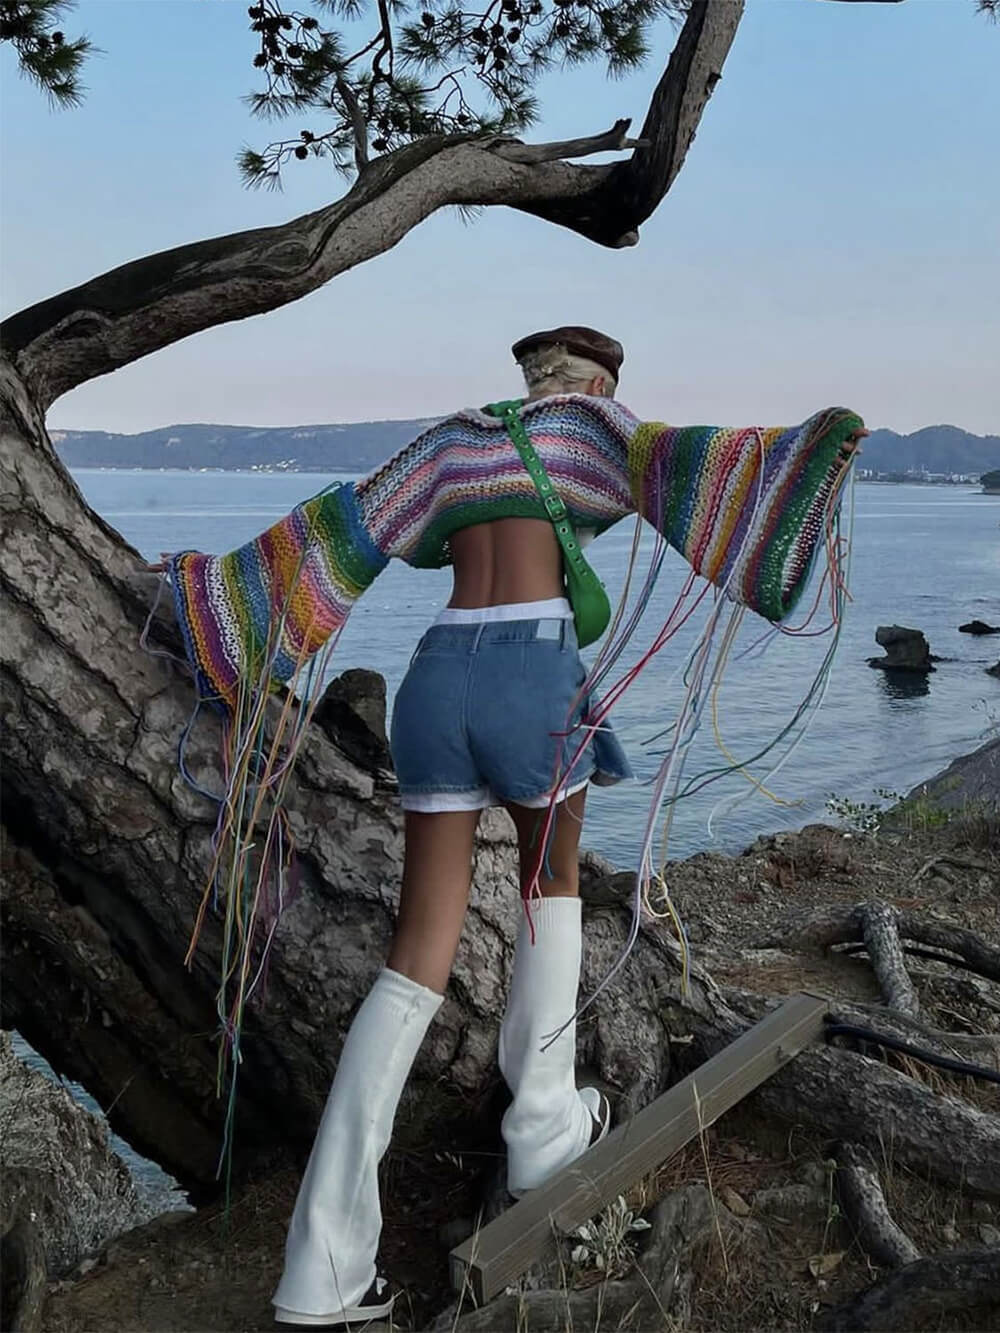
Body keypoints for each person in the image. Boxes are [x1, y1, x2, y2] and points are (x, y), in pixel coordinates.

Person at [155, 326, 867, 1329]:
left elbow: (341, 534)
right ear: (595, 380)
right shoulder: (589, 427)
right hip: (531, 671)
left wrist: (215, 595)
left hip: (434, 680)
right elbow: (691, 471)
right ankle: (543, 1131)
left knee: (415, 960)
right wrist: (810, 454)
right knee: (550, 887)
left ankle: (320, 1271)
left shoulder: (451, 443)